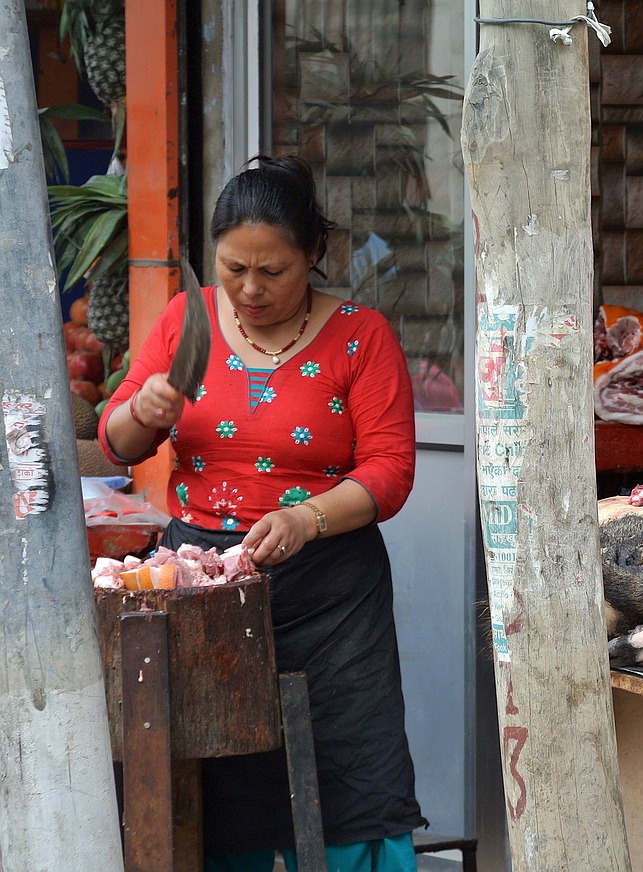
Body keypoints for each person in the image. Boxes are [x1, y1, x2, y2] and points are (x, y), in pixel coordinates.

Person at [98, 155, 424, 871]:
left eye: (271, 271)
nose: (248, 289)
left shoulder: (362, 338)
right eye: (231, 268)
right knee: (216, 779)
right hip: (206, 592)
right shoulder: (189, 319)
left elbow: (391, 471)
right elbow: (117, 437)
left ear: (312, 254)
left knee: (350, 773)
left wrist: (306, 519)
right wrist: (141, 411)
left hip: (332, 598)